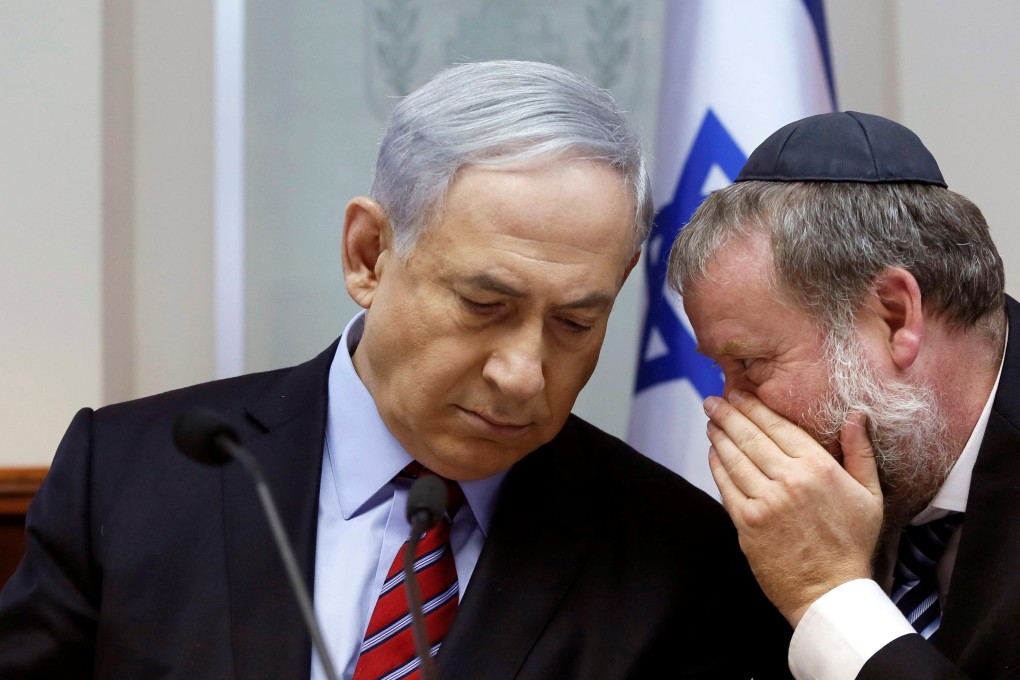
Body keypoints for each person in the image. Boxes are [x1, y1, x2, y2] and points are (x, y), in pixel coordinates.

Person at [0, 61, 791, 679]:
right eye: (485, 304)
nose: (523, 374)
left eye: (575, 324)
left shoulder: (673, 555)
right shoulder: (128, 477)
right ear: (368, 254)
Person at [668, 110, 1020, 679]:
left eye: (750, 363)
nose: (732, 410)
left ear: (894, 316)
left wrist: (828, 594)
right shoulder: (811, 500)